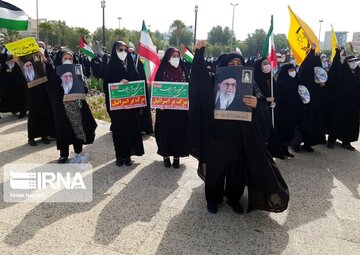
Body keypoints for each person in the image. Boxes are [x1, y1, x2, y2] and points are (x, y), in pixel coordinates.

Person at [189, 41, 289, 214]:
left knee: (237, 171)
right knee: (216, 169)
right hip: (217, 135)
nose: (235, 66)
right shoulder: (215, 81)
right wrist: (199, 55)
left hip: (240, 136)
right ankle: (213, 199)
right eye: (231, 64)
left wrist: (256, 103)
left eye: (238, 64)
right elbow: (200, 84)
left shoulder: (250, 83)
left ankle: (233, 198)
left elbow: (262, 106)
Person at [47, 51, 97, 163]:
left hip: (77, 105)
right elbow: (50, 89)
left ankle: (78, 152)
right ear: (61, 59)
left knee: (77, 128)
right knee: (63, 129)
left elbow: (85, 88)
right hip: (62, 107)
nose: (68, 60)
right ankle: (63, 154)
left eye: (70, 58)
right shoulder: (56, 73)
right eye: (65, 58)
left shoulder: (78, 71)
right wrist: (59, 81)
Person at [103, 41, 144, 166]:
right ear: (115, 51)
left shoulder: (131, 65)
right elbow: (106, 85)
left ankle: (128, 156)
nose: (123, 52)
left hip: (130, 107)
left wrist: (130, 82)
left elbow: (137, 83)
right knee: (118, 131)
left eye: (125, 50)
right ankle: (119, 156)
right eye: (120, 50)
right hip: (117, 108)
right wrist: (118, 83)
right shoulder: (111, 67)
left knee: (130, 130)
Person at [154, 48, 189, 168]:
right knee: (165, 132)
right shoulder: (162, 71)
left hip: (180, 110)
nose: (175, 58)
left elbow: (188, 89)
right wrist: (159, 103)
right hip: (165, 110)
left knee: (178, 132)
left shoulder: (183, 71)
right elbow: (156, 90)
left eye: (177, 56)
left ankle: (176, 156)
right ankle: (166, 156)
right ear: (168, 58)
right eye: (173, 55)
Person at [326, 45, 360, 151]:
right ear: (347, 62)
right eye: (351, 61)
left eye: (355, 61)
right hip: (340, 103)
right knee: (336, 121)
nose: (354, 63)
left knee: (350, 123)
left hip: (353, 104)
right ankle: (331, 141)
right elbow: (335, 68)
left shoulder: (358, 72)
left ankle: (346, 142)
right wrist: (337, 52)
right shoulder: (342, 72)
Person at [254, 57, 285, 159]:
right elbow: (254, 94)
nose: (267, 65)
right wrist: (265, 99)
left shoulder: (270, 77)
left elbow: (275, 92)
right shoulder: (255, 78)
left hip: (271, 109)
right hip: (259, 110)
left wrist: (275, 101)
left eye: (268, 63)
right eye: (264, 63)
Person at [297, 43, 327, 152]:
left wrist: (322, 84)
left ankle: (308, 143)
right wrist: (312, 51)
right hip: (305, 101)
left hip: (315, 102)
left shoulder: (317, 71)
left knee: (312, 122)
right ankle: (296, 143)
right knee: (303, 122)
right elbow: (304, 70)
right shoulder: (306, 68)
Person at [275, 64, 304, 157]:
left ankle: (286, 150)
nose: (292, 71)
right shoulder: (281, 82)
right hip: (283, 111)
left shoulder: (295, 80)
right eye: (290, 70)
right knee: (283, 130)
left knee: (290, 130)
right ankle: (281, 151)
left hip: (294, 109)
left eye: (293, 69)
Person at [128, 44, 153, 135]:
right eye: (129, 53)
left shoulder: (140, 63)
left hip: (139, 92)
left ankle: (143, 127)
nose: (131, 55)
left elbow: (142, 77)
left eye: (133, 53)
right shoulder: (125, 65)